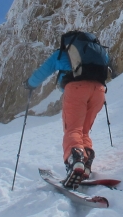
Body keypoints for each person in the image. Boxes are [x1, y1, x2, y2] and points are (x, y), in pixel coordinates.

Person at [25, 31, 110, 188]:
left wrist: (30, 84)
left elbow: (44, 70)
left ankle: (75, 160)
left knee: (72, 129)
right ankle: (85, 162)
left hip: (76, 89)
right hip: (99, 91)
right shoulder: (99, 52)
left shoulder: (63, 54)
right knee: (84, 131)